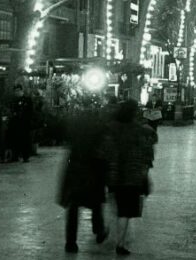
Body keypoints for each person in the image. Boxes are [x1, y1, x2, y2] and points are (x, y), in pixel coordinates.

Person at [107, 99, 156, 256]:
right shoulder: (138, 130)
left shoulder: (112, 128)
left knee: (117, 208)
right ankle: (120, 243)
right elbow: (146, 151)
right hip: (131, 177)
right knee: (125, 212)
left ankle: (112, 232)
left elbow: (106, 150)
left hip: (115, 176)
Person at [59, 108, 110, 253]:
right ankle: (99, 230)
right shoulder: (99, 129)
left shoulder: (74, 130)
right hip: (93, 169)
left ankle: (70, 242)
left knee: (73, 207)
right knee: (96, 203)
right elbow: (104, 151)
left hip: (75, 170)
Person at [8, 84, 34, 162]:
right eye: (15, 91)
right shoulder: (14, 101)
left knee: (25, 140)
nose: (17, 92)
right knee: (15, 140)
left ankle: (25, 156)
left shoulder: (27, 100)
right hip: (16, 124)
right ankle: (15, 156)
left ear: (21, 90)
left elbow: (30, 112)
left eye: (18, 91)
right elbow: (12, 111)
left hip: (24, 124)